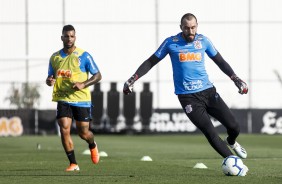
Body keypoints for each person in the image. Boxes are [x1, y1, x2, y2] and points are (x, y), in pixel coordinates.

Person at [123, 13, 249, 176]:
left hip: (209, 92)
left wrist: (236, 78)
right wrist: (133, 78)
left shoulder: (203, 41)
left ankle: (231, 141)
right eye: (187, 28)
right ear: (181, 27)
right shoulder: (171, 42)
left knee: (234, 126)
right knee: (210, 132)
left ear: (197, 26)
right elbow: (150, 61)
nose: (190, 31)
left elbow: (220, 61)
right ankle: (234, 162)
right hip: (188, 98)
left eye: (193, 27)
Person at [46, 25, 102, 171]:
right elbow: (50, 77)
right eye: (66, 36)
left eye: (71, 36)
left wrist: (84, 83)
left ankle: (92, 144)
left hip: (81, 99)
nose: (69, 38)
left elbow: (98, 75)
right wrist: (49, 81)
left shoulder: (84, 55)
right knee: (64, 129)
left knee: (83, 133)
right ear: (62, 37)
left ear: (75, 37)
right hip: (63, 97)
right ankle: (73, 163)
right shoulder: (55, 57)